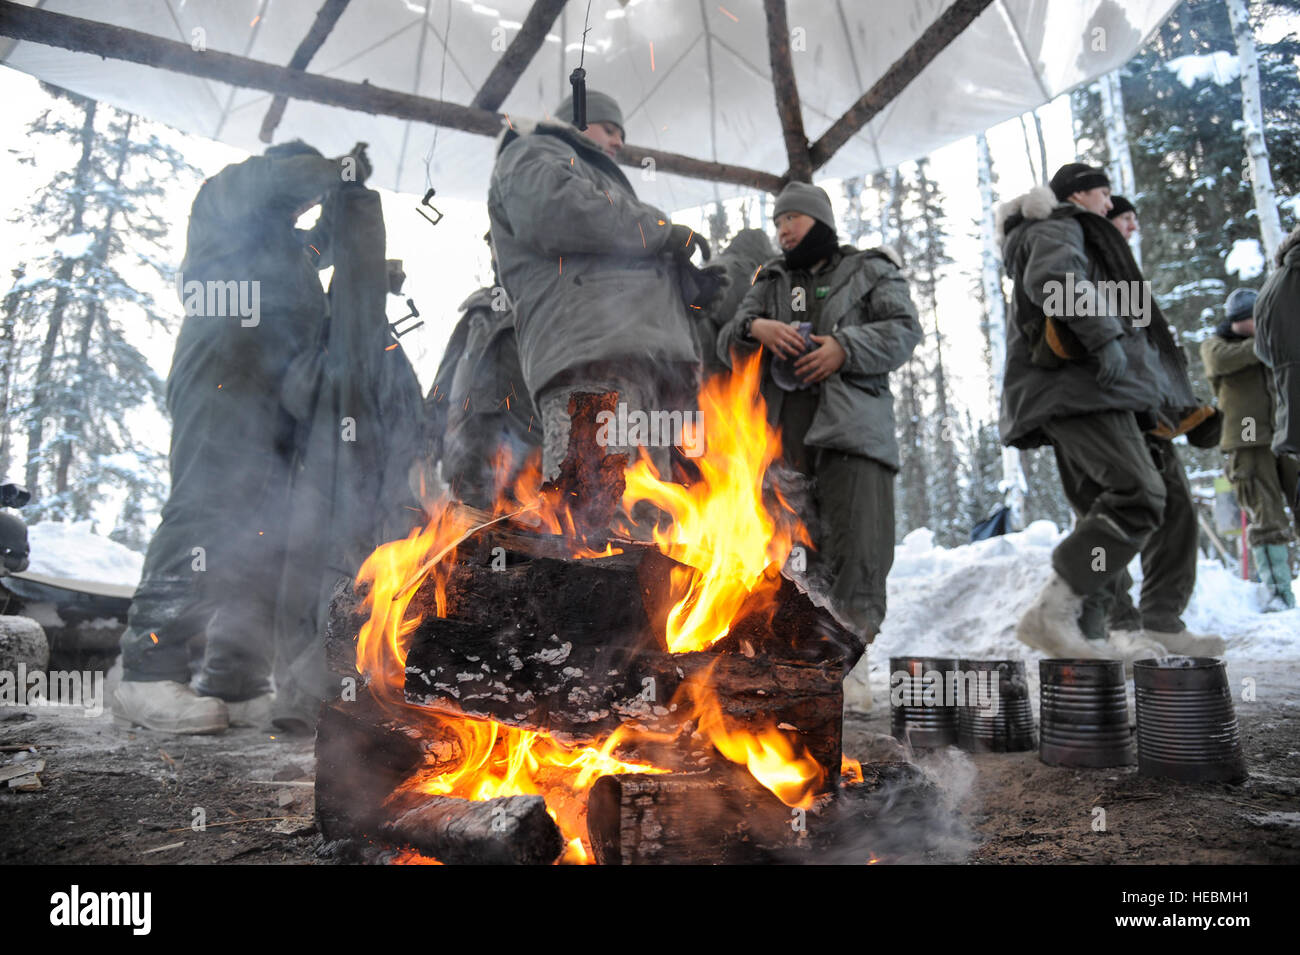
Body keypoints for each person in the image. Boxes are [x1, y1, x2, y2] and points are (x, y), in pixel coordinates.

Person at [113, 140, 370, 734]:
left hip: (276, 403)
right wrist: (337, 168)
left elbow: (320, 243)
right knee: (205, 512)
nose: (308, 201)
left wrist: (342, 206)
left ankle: (235, 677)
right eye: (303, 183)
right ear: (283, 169)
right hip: (222, 380)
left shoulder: (285, 243)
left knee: (264, 533)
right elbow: (282, 182)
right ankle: (147, 672)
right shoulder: (229, 197)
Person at [715, 181, 922, 671]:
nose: (784, 229)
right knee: (794, 555)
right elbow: (727, 343)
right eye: (778, 222)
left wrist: (844, 348)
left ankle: (849, 671)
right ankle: (800, 669)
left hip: (853, 432)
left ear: (820, 221)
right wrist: (754, 329)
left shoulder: (869, 270)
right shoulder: (769, 283)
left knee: (859, 549)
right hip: (783, 439)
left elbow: (903, 330)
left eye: (793, 218)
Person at [487, 90, 724, 490]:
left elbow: (613, 256)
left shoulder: (604, 185)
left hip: (653, 370)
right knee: (591, 518)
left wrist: (685, 289)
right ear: (575, 123)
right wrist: (660, 230)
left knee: (654, 525)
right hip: (592, 360)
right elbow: (555, 212)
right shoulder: (531, 153)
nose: (618, 142)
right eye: (609, 129)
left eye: (622, 135)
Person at [998, 162, 1180, 664]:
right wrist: (1104, 339)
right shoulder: (1059, 225)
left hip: (1081, 393)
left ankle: (1090, 639)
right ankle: (1054, 612)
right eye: (1104, 194)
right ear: (1080, 195)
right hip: (1083, 389)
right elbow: (1055, 280)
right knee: (1139, 495)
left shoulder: (1065, 228)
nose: (1111, 206)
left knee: (1101, 510)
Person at [1091, 194, 1224, 653]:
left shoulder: (1126, 276)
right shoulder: (1091, 268)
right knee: (1118, 514)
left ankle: (1161, 619)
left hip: (1153, 415)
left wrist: (1185, 406)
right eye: (1126, 218)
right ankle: (1117, 622)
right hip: (1114, 414)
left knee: (1176, 510)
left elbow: (1152, 351)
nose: (1133, 228)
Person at [1205, 287, 1298, 610]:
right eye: (1251, 319)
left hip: (1289, 436)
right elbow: (1219, 360)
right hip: (1248, 444)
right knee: (1267, 519)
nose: (1258, 323)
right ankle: (1278, 594)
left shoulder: (1279, 338)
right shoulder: (1217, 346)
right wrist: (1269, 338)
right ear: (1236, 322)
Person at [426, 267, 540, 507]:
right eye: (491, 243)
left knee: (524, 536)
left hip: (524, 465)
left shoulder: (541, 303)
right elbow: (443, 384)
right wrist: (428, 444)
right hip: (467, 459)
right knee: (469, 537)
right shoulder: (476, 313)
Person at [1254, 223, 1300, 457]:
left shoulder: (1272, 287)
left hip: (1284, 425)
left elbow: (1263, 352)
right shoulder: (1218, 347)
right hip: (1247, 434)